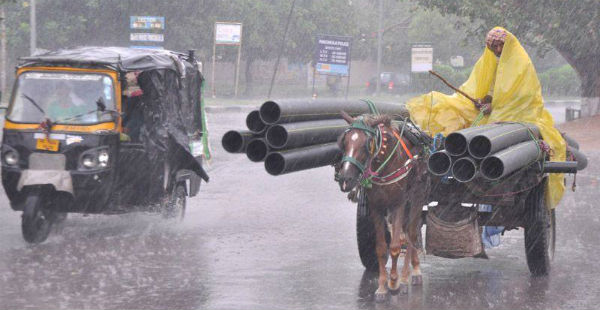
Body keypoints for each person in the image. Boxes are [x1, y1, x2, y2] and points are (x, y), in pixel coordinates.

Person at [407, 27, 566, 214]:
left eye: (500, 45)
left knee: (489, 134)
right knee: (451, 110)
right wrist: (484, 101)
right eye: (493, 47)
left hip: (517, 118)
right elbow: (486, 88)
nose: (497, 50)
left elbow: (522, 96)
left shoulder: (521, 63)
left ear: (508, 45)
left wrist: (496, 107)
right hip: (491, 119)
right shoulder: (489, 62)